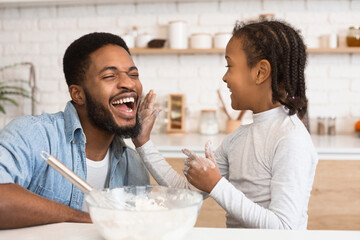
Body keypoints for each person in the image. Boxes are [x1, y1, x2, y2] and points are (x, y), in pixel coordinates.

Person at [133, 20, 318, 230]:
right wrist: (143, 142)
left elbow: (285, 228)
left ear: (260, 72)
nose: (225, 77)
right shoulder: (238, 139)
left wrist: (216, 184)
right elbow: (183, 193)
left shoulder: (291, 139)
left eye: (229, 66)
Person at [0, 32, 153, 229]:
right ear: (78, 94)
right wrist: (87, 219)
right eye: (109, 76)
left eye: (134, 75)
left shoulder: (133, 166)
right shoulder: (32, 135)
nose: (129, 83)